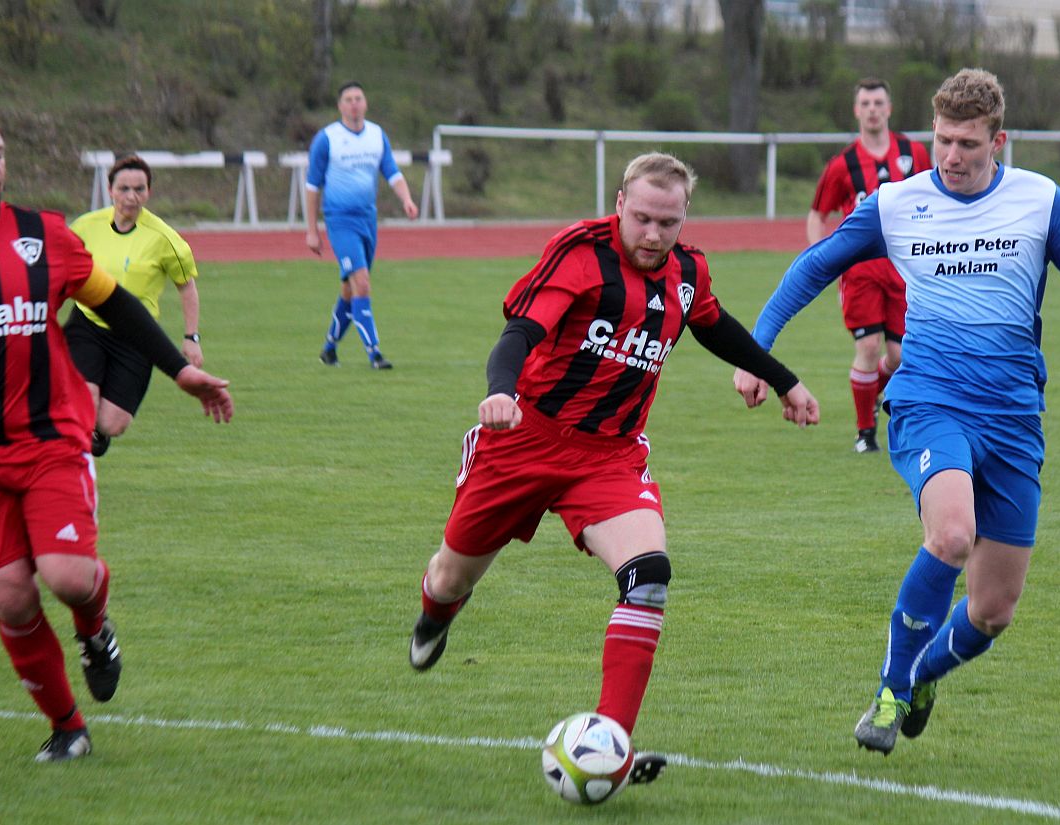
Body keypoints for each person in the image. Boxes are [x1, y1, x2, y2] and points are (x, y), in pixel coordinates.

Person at [735, 69, 1060, 757]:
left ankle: (921, 677)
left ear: (998, 140)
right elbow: (813, 265)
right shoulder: (896, 203)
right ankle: (890, 688)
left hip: (1013, 416)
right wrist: (757, 350)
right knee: (950, 535)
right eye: (943, 139)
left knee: (993, 609)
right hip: (929, 399)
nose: (950, 155)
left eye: (968, 143)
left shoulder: (1040, 200)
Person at [407, 153, 819, 787]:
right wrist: (501, 390)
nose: (654, 235)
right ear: (620, 201)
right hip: (524, 439)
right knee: (451, 573)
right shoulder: (579, 253)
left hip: (610, 455)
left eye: (669, 223)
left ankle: (610, 745)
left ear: (685, 217)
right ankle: (436, 614)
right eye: (644, 219)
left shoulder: (688, 270)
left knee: (648, 576)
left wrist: (782, 379)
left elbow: (712, 325)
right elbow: (520, 332)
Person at [0, 106, 234, 762]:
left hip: (50, 437)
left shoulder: (41, 234)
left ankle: (95, 627)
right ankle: (68, 726)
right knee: (14, 595)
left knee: (67, 576)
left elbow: (115, 302)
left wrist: (179, 370)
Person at [808, 77, 932, 453]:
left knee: (897, 357)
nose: (873, 109)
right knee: (869, 346)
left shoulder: (914, 153)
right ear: (857, 110)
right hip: (860, 272)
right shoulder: (843, 164)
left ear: (889, 109)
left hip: (904, 271)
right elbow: (818, 214)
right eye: (866, 103)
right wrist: (822, 262)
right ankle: (866, 434)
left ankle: (870, 394)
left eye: (879, 102)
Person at [67, 154, 204, 457]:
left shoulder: (165, 239)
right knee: (84, 402)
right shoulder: (84, 227)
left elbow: (186, 286)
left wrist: (191, 337)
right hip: (87, 325)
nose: (131, 197)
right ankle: (73, 466)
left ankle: (96, 433)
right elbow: (60, 272)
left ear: (149, 192)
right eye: (124, 189)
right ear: (110, 189)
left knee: (112, 423)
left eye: (139, 189)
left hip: (136, 335)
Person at [305, 81, 418, 370]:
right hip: (339, 220)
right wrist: (312, 230)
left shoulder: (377, 135)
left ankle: (329, 349)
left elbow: (391, 171)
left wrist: (406, 199)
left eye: (358, 98)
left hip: (368, 219)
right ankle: (374, 353)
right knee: (362, 282)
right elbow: (312, 186)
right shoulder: (327, 138)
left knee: (350, 289)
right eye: (348, 99)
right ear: (340, 106)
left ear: (365, 103)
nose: (354, 103)